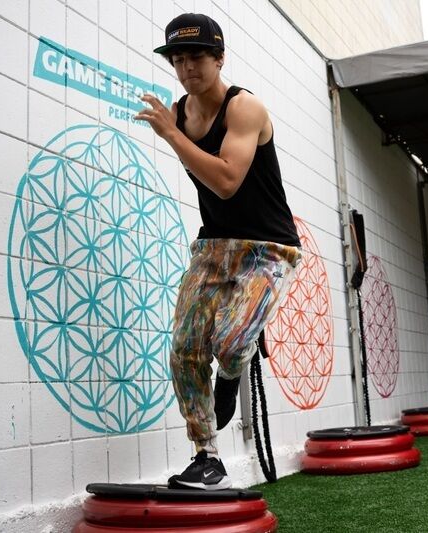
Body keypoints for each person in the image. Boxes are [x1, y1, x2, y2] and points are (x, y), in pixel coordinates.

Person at [136, 13, 301, 490]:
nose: (187, 68)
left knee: (228, 343)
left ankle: (233, 367)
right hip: (213, 247)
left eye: (197, 58)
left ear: (220, 58)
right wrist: (177, 130)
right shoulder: (181, 113)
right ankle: (207, 458)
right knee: (184, 349)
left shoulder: (244, 108)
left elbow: (227, 181)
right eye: (177, 60)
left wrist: (172, 136)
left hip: (268, 249)